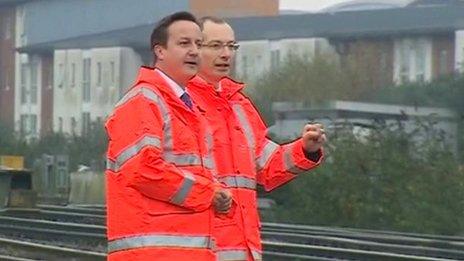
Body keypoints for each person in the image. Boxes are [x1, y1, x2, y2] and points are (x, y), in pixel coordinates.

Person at [187, 16, 326, 261]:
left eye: (231, 46)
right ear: (194, 49)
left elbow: (266, 165)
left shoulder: (240, 105)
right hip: (200, 246)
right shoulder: (180, 103)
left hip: (243, 247)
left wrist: (305, 149)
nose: (226, 54)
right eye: (216, 45)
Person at [105, 12, 232, 261]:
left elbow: (195, 172)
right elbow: (143, 169)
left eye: (198, 43)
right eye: (184, 43)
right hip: (154, 253)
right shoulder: (144, 101)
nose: (194, 51)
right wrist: (208, 193)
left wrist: (218, 191)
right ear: (160, 51)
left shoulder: (188, 109)